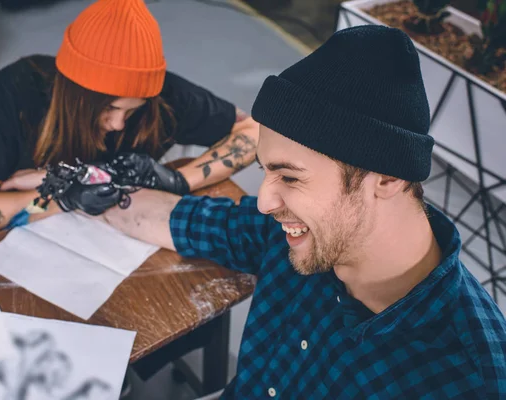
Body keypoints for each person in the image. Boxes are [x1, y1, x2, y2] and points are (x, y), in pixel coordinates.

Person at [65, 25, 506, 398]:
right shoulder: (302, 233)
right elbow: (187, 219)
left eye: (290, 177)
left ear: (387, 177)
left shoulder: (468, 378)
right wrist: (96, 190)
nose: (264, 201)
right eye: (265, 172)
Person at [0, 0, 259, 240]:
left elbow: (254, 131)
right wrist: (63, 196)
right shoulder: (19, 91)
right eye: (108, 108)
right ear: (73, 94)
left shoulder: (162, 97)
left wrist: (180, 179)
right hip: (22, 238)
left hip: (113, 240)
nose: (118, 125)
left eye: (132, 110)